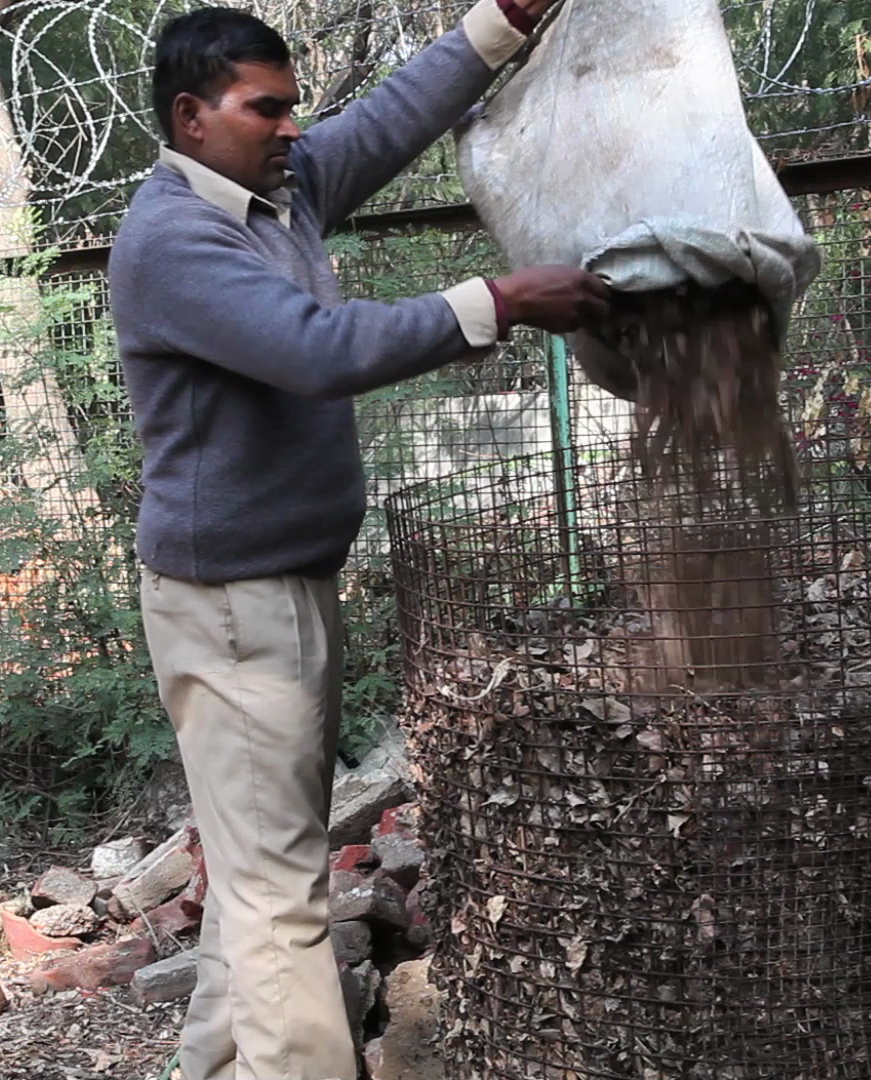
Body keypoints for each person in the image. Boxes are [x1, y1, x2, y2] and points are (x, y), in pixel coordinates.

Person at [108, 2, 608, 1078]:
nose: (293, 129)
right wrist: (500, 299)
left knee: (255, 884)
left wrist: (495, 27)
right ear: (192, 117)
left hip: (281, 589)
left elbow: (383, 126)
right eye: (267, 108)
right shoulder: (173, 239)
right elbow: (316, 348)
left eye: (294, 108)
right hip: (234, 608)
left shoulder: (268, 199)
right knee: (281, 900)